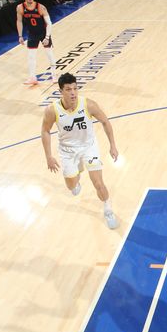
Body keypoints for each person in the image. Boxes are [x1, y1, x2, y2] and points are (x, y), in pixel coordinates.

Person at [40, 73, 119, 229]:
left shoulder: (88, 105)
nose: (73, 93)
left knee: (98, 182)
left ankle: (108, 209)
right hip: (67, 151)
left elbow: (105, 122)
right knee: (71, 186)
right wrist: (48, 156)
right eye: (68, 89)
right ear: (61, 91)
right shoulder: (52, 110)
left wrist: (113, 145)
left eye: (75, 88)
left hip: (88, 147)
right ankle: (75, 179)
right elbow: (45, 131)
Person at [17, 0, 55, 85]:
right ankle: (32, 78)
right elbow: (19, 21)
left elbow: (49, 23)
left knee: (49, 54)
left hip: (43, 33)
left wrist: (47, 37)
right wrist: (20, 35)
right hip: (32, 34)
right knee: (31, 57)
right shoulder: (20, 7)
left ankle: (54, 75)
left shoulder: (40, 7)